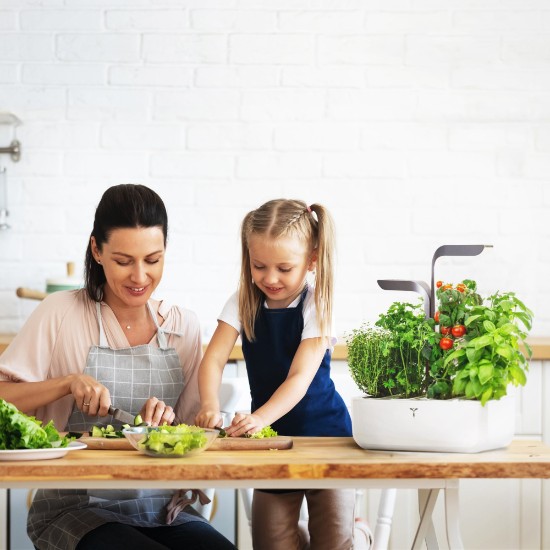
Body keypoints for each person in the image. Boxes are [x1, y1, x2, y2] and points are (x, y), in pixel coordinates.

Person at [0, 184, 236, 550]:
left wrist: (166, 427)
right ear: (97, 250)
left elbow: (192, 433)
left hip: (162, 509)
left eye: (152, 260)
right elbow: (3, 399)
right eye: (124, 261)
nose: (139, 277)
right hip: (73, 509)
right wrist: (66, 384)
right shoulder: (59, 313)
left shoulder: (181, 325)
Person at [196, 199, 357, 550]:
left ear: (311, 260)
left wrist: (257, 419)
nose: (270, 278)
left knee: (334, 543)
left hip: (326, 438)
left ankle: (358, 535)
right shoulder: (242, 301)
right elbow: (212, 361)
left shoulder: (318, 304)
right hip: (271, 440)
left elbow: (299, 377)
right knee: (272, 543)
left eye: (284, 268)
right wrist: (209, 405)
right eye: (259, 266)